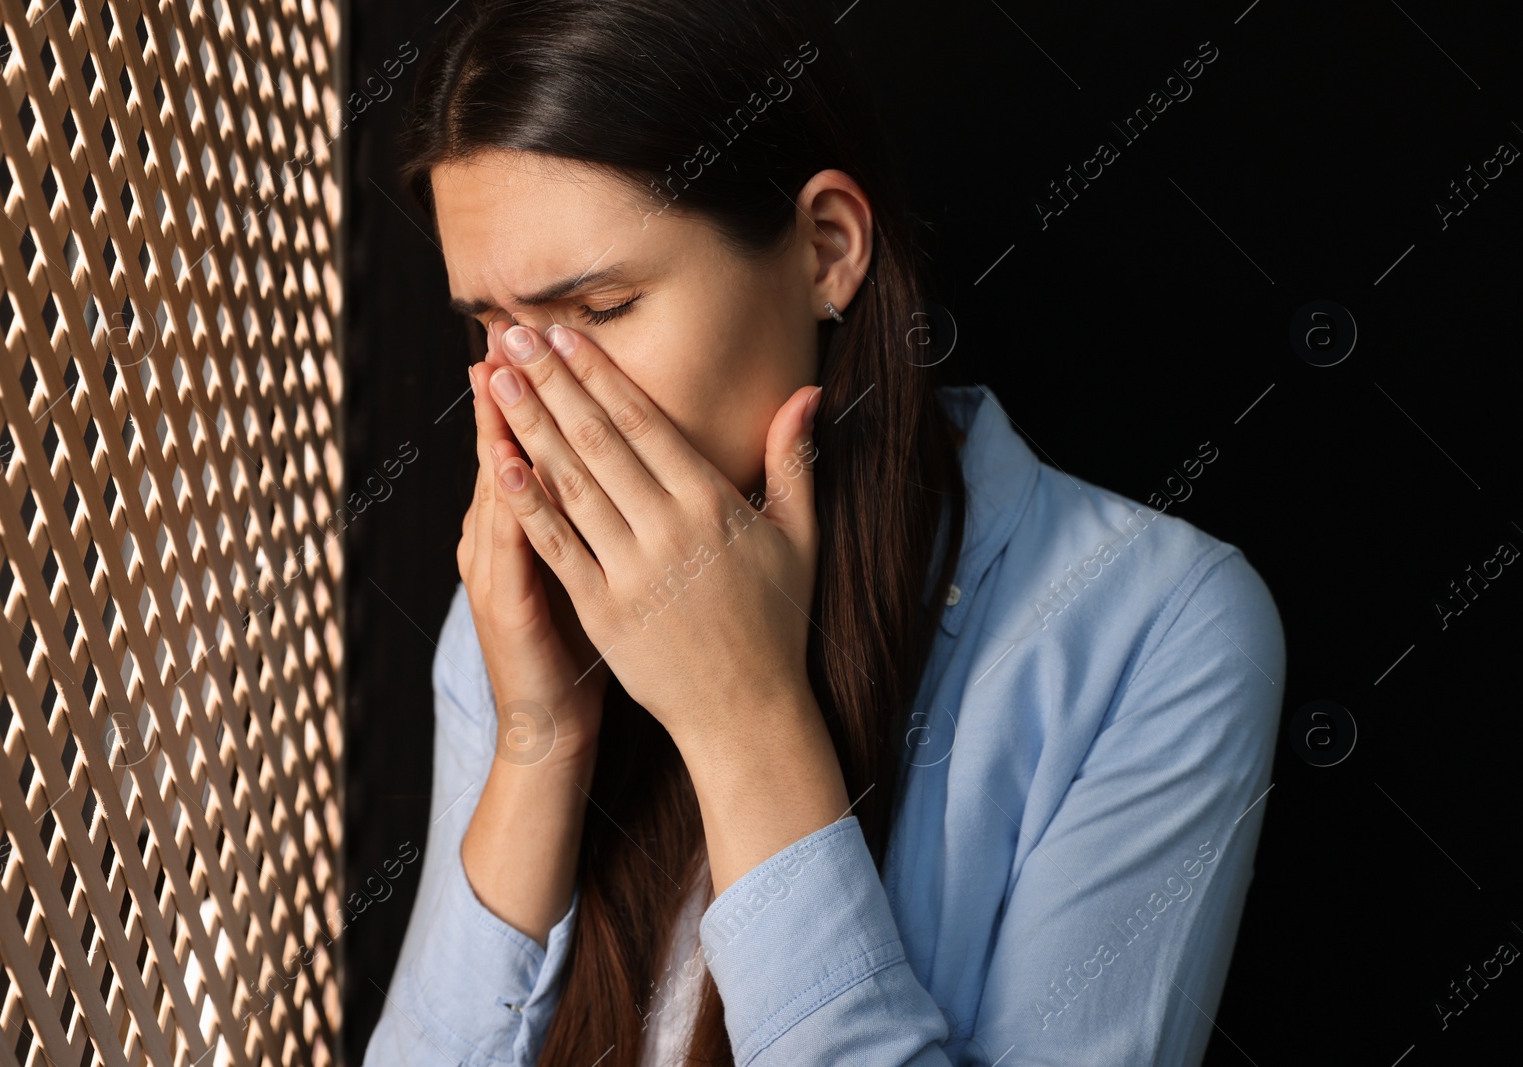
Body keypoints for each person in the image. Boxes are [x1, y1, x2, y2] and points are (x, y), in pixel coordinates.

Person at [364, 1, 1286, 1064]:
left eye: (601, 309)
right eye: (490, 325)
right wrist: (539, 741)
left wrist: (746, 722)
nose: (531, 396)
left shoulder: (1156, 629)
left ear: (825, 249)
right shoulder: (519, 601)